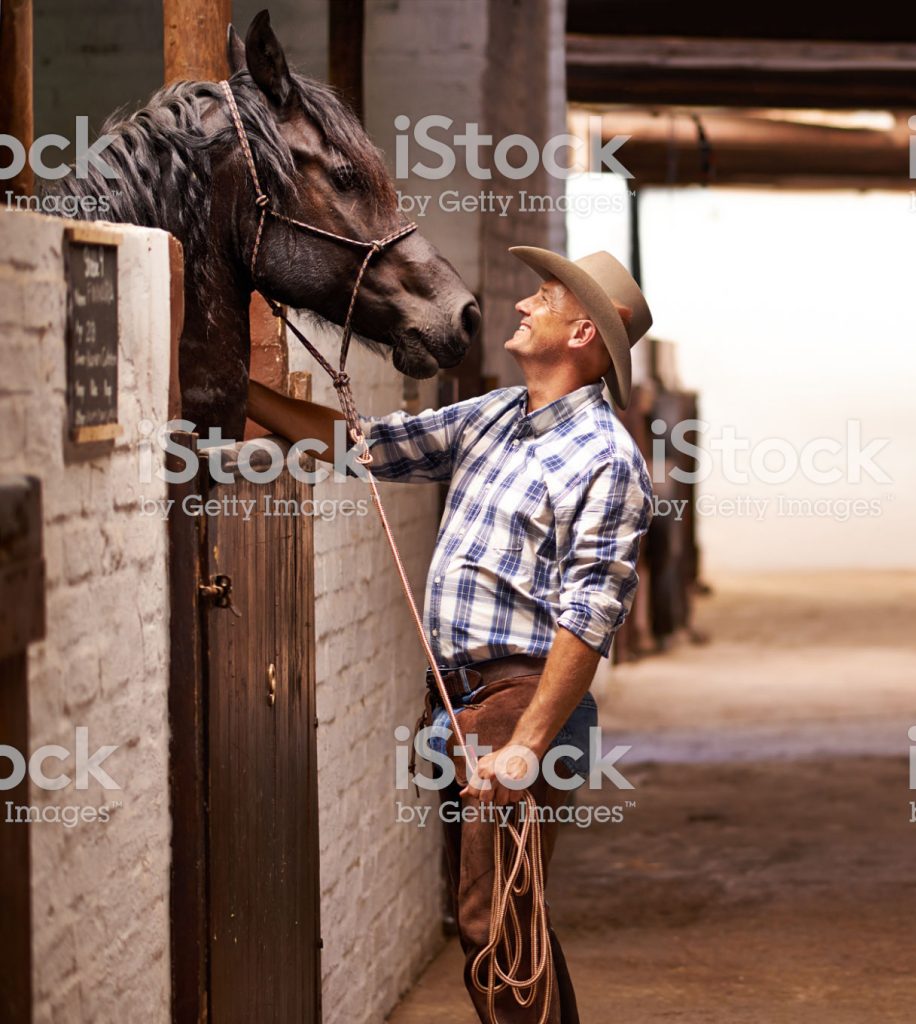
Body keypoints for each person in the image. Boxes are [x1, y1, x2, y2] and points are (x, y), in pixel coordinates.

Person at [247, 246, 654, 1023]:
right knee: (511, 922)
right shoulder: (496, 415)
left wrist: (525, 744)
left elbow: (588, 617)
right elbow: (364, 445)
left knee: (495, 930)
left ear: (582, 336)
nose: (524, 305)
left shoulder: (605, 458)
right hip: (461, 708)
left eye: (545, 297)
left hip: (520, 704)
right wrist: (244, 391)